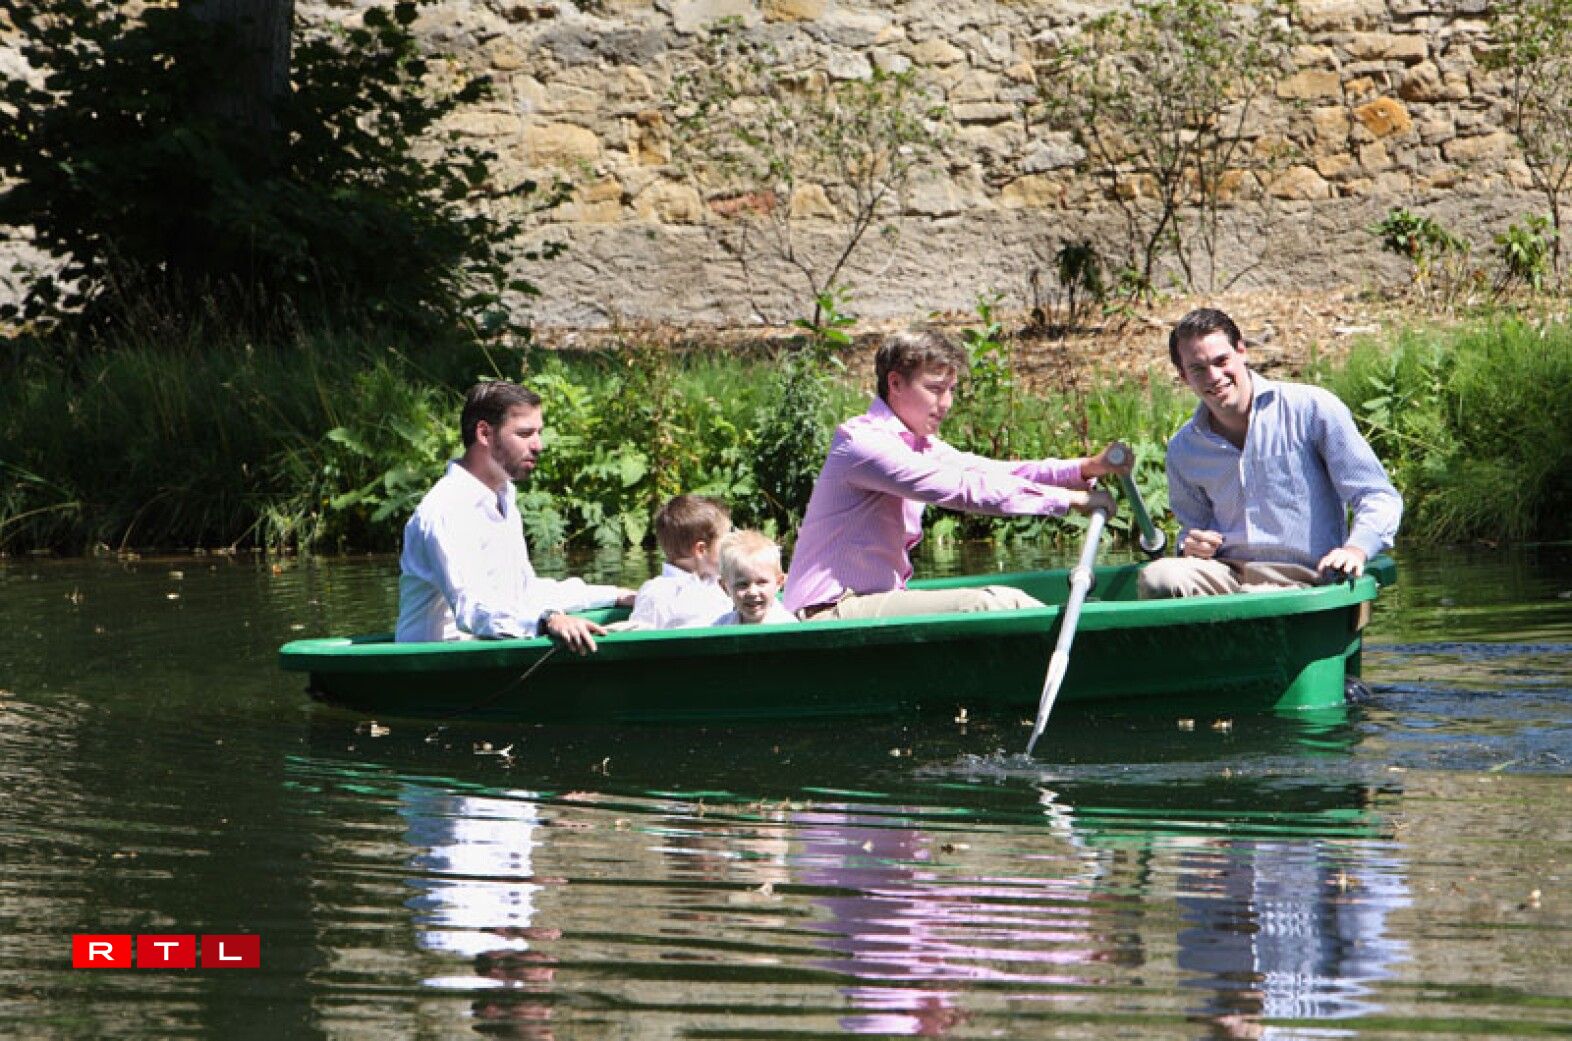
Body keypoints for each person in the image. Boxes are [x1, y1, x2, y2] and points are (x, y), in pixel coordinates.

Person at [783, 327, 1129, 621]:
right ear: (896, 383)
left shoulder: (919, 445)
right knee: (992, 604)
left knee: (997, 603)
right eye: (935, 389)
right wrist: (1069, 501)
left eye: (951, 390)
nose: (946, 403)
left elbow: (988, 471)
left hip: (867, 604)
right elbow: (964, 489)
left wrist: (1083, 469)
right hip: (826, 612)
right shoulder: (861, 443)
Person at [1139, 308, 1402, 599]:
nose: (1214, 377)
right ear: (1184, 376)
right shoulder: (1184, 449)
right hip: (1227, 577)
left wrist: (1355, 550)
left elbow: (1378, 496)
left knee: (1265, 594)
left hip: (1309, 578)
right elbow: (1192, 530)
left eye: (1221, 361)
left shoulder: (1312, 410)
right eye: (1198, 369)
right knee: (1158, 576)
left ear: (1242, 351)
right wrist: (1190, 546)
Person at [396, 380, 635, 653]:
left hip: (491, 650)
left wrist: (618, 596)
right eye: (524, 434)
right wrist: (548, 620)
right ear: (484, 433)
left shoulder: (503, 495)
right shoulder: (446, 510)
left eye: (539, 433)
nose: (538, 445)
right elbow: (471, 611)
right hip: (437, 664)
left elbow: (525, 593)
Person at [628, 493, 734, 629]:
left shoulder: (719, 581)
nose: (733, 545)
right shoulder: (658, 593)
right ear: (701, 549)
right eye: (727, 540)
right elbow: (639, 640)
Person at [714, 529, 798, 626]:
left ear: (778, 582)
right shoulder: (722, 627)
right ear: (725, 587)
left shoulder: (787, 626)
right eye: (742, 584)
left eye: (761, 582)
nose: (752, 592)